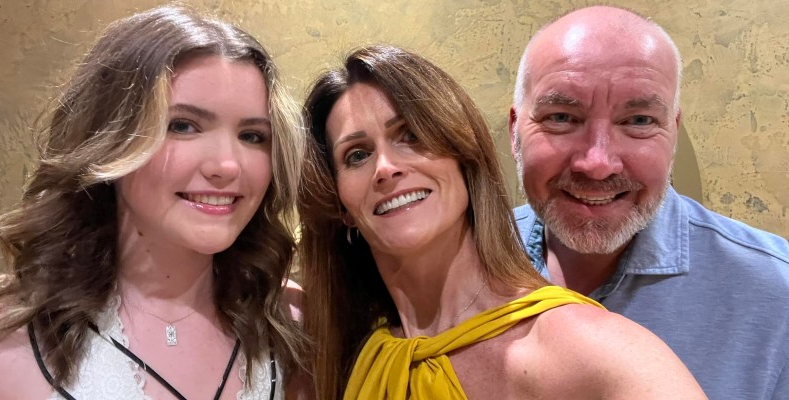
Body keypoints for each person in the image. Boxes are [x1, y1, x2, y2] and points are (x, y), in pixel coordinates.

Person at [298, 44, 706, 399]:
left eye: (411, 136)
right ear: (341, 205)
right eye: (356, 155)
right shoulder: (344, 355)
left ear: (464, 157)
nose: (385, 168)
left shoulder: (595, 352)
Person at [0, 6, 310, 399]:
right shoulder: (5, 337)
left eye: (253, 135)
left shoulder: (292, 323)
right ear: (110, 138)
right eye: (182, 126)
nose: (227, 165)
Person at [509, 5, 789, 400]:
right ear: (514, 130)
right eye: (561, 117)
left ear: (672, 133)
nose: (598, 163)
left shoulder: (779, 297)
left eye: (639, 121)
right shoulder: (451, 264)